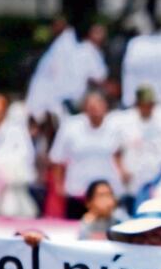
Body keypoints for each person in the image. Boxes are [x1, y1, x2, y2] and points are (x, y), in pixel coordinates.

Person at [48, 90, 126, 219]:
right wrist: (59, 185)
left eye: (99, 105)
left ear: (105, 107)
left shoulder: (115, 126)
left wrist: (123, 173)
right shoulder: (70, 126)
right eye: (91, 107)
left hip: (106, 194)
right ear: (85, 108)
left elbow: (118, 154)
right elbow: (57, 158)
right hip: (77, 191)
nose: (95, 110)